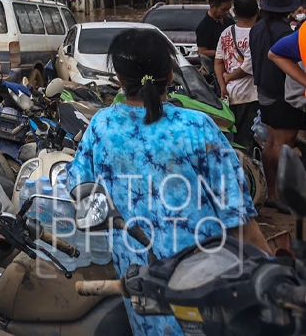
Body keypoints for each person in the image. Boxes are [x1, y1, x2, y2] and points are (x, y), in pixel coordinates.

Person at [65, 28, 269, 336]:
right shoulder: (197, 126)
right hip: (207, 286)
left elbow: (77, 187)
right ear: (170, 74)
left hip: (143, 288)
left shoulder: (102, 126)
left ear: (119, 79)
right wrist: (271, 273)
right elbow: (239, 217)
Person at [250, 0, 300, 212]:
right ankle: (280, 196)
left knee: (271, 142)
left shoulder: (257, 28)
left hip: (264, 90)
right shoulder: (285, 32)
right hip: (282, 94)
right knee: (284, 142)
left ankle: (272, 192)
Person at [215, 0, 259, 150]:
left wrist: (222, 85)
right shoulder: (257, 34)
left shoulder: (226, 32)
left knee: (233, 141)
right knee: (248, 142)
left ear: (234, 11)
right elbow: (248, 68)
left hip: (230, 95)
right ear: (257, 11)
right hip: (251, 96)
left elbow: (218, 61)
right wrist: (228, 77)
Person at [195, 0, 233, 77]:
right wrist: (224, 53)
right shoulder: (204, 26)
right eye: (223, 9)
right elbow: (202, 51)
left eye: (228, 9)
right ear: (213, 6)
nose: (227, 12)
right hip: (216, 70)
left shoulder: (229, 22)